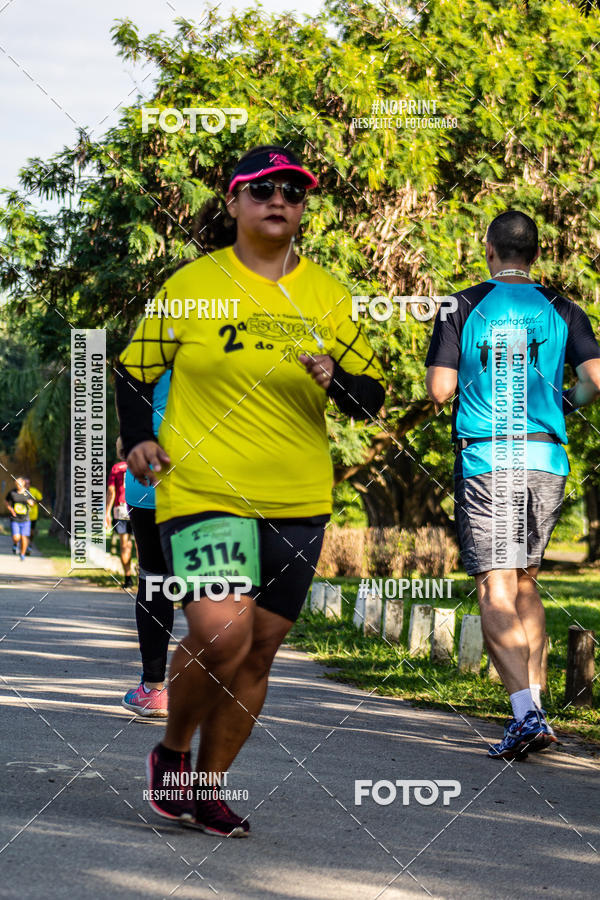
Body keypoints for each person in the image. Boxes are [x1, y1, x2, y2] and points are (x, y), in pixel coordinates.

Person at [116, 144, 385, 836]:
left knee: (258, 652)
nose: (279, 200)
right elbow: (131, 372)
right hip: (204, 488)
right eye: (261, 188)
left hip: (298, 498)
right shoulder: (191, 286)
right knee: (220, 630)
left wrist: (341, 379)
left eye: (293, 192)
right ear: (232, 202)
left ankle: (208, 785)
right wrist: (136, 440)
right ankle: (172, 753)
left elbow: (370, 400)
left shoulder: (329, 295)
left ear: (302, 209)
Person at [425, 209, 600, 760]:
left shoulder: (462, 305)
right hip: (547, 459)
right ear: (536, 253)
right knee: (524, 582)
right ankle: (536, 709)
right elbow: (594, 379)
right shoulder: (562, 307)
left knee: (495, 586)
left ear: (488, 248)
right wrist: (565, 403)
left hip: (491, 458)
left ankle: (526, 717)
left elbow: (439, 389)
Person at [121, 371, 173, 718]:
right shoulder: (232, 342)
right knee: (219, 586)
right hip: (215, 480)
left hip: (150, 476)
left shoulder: (149, 352)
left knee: (156, 583)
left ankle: (154, 689)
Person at [105, 458, 134, 589]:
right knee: (140, 545)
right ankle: (142, 576)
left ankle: (128, 579)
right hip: (137, 506)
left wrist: (107, 512)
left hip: (121, 507)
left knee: (124, 545)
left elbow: (111, 491)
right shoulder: (140, 463)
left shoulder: (117, 468)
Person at [5, 476, 35, 560]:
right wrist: (11, 510)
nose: (18, 485)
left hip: (25, 519)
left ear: (23, 484)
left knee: (24, 537)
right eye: (16, 484)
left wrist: (30, 503)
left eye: (19, 483)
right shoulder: (12, 493)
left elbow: (33, 503)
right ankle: (15, 544)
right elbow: (6, 502)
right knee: (16, 537)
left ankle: (22, 554)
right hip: (15, 519)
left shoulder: (27, 493)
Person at [23, 477, 43, 555]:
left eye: (28, 483)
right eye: (25, 483)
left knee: (31, 532)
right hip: (23, 515)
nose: (27, 485)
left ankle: (30, 544)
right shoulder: (21, 491)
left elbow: (41, 498)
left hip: (33, 515)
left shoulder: (34, 490)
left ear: (30, 484)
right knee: (24, 533)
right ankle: (24, 547)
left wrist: (34, 502)